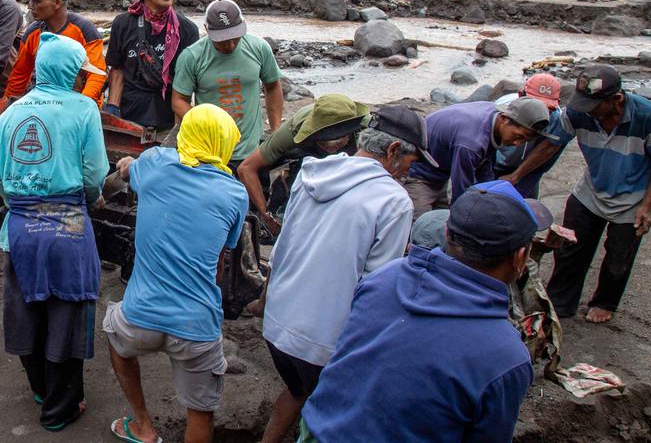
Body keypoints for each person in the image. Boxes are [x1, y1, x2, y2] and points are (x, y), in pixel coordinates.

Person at [299, 180, 552, 442]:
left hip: (318, 428)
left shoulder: (386, 276)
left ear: (446, 231)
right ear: (520, 258)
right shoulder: (507, 356)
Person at [259, 106, 431, 443]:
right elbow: (378, 288)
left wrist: (264, 302)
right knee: (329, 415)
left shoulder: (312, 174)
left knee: (297, 390)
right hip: (324, 342)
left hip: (277, 324)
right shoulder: (393, 201)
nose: (411, 171)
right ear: (394, 150)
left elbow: (282, 247)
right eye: (412, 160)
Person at [103, 104, 248, 443]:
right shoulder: (235, 193)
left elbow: (128, 171)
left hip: (140, 317)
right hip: (196, 327)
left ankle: (143, 426)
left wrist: (127, 166)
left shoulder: (154, 164)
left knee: (114, 333)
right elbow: (219, 262)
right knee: (201, 414)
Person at [0, 33, 108, 432]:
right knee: (67, 312)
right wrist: (89, 199)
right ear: (71, 72)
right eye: (79, 73)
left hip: (19, 228)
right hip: (68, 225)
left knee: (26, 310)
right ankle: (60, 408)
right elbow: (95, 174)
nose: (81, 80)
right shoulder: (84, 109)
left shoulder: (10, 114)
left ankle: (40, 390)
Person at [506, 65, 651, 324]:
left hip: (632, 197)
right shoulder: (579, 114)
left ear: (616, 100)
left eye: (593, 105)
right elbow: (551, 144)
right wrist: (517, 175)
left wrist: (647, 206)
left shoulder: (649, 118)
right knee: (570, 248)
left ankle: (604, 301)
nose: (586, 110)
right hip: (591, 190)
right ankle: (561, 301)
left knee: (619, 258)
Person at [171, 0, 282, 170]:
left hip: (251, 150)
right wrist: (204, 126)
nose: (230, 45)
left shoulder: (259, 48)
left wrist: (276, 132)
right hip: (210, 152)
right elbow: (179, 100)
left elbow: (273, 86)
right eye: (222, 40)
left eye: (234, 38)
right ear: (207, 29)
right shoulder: (192, 56)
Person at [235, 94, 368, 235]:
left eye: (339, 145)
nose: (332, 150)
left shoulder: (366, 128)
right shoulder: (293, 130)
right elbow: (246, 168)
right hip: (304, 159)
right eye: (325, 143)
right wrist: (267, 216)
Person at [402, 96, 550, 217]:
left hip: (442, 167)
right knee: (421, 228)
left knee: (444, 218)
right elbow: (460, 188)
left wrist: (489, 194)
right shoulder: (471, 143)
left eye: (525, 141)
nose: (518, 143)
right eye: (518, 136)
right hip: (418, 171)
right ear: (505, 118)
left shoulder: (493, 115)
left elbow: (484, 165)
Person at [104, 0, 199, 129]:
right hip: (130, 113)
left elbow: (188, 81)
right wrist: (112, 109)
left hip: (168, 116)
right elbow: (117, 69)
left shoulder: (186, 29)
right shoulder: (123, 24)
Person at [4, 0, 106, 105]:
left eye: (37, 1)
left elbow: (96, 75)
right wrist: (5, 106)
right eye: (30, 0)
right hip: (46, 101)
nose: (30, 6)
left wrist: (83, 106)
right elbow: (19, 77)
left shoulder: (84, 30)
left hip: (81, 101)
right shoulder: (32, 33)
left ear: (57, 3)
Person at [494, 73, 566, 198]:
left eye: (547, 108)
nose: (540, 113)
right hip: (494, 162)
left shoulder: (558, 121)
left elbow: (548, 152)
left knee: (525, 206)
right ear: (521, 95)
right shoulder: (501, 107)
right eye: (534, 104)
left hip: (528, 168)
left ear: (557, 103)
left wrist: (516, 176)